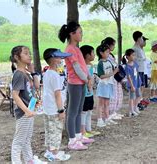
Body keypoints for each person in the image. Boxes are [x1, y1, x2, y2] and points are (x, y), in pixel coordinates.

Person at [58, 21, 94, 150]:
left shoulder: (76, 48)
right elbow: (77, 68)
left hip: (82, 82)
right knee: (72, 112)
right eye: (80, 32)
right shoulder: (69, 49)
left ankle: (79, 136)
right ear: (72, 34)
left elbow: (83, 66)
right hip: (75, 84)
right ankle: (72, 140)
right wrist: (87, 80)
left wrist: (88, 78)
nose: (81, 34)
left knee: (79, 110)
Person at [9, 45, 46, 164]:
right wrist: (26, 110)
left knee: (27, 138)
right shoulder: (19, 74)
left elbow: (36, 85)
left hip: (30, 110)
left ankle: (29, 160)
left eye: (29, 53)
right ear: (17, 57)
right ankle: (16, 161)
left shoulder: (25, 72)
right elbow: (15, 94)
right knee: (19, 140)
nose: (29, 55)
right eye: (25, 53)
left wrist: (33, 71)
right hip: (24, 112)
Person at [42, 48, 72, 161]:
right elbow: (57, 94)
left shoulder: (47, 73)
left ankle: (49, 151)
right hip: (55, 109)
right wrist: (61, 110)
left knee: (49, 130)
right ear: (54, 59)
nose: (62, 60)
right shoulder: (55, 75)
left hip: (48, 108)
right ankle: (55, 153)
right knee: (56, 131)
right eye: (60, 58)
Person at [80, 45, 101, 138]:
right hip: (84, 93)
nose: (94, 55)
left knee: (89, 111)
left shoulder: (91, 66)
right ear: (87, 55)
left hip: (90, 93)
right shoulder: (82, 66)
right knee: (84, 112)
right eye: (93, 53)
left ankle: (89, 129)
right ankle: (83, 131)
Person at [95, 44, 119, 127]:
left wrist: (115, 70)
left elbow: (113, 69)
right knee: (101, 103)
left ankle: (107, 118)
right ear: (101, 53)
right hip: (103, 85)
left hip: (109, 84)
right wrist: (113, 73)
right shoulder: (100, 63)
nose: (109, 53)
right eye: (107, 52)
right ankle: (99, 120)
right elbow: (101, 76)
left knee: (107, 103)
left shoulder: (108, 61)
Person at [101, 37, 124, 121]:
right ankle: (110, 113)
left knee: (117, 94)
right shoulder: (106, 57)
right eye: (113, 45)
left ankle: (114, 112)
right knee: (112, 95)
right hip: (111, 78)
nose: (114, 47)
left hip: (115, 78)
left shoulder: (110, 55)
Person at [132, 31, 150, 108]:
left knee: (141, 85)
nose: (142, 39)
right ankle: (137, 103)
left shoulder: (139, 48)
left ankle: (140, 101)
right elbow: (133, 59)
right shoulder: (135, 48)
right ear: (139, 38)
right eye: (142, 37)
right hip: (138, 69)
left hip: (142, 69)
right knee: (138, 86)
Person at [124, 49, 142, 117]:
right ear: (128, 57)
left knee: (138, 95)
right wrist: (132, 86)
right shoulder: (127, 66)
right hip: (132, 84)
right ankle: (131, 111)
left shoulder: (135, 63)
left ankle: (135, 108)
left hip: (137, 83)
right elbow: (128, 77)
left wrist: (139, 81)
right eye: (133, 55)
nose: (134, 56)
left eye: (135, 55)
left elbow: (137, 73)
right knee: (132, 98)